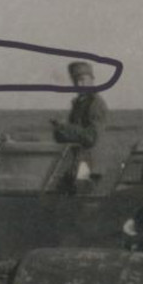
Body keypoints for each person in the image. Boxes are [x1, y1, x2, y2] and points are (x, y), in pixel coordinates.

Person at [51, 60, 109, 191]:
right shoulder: (80, 103)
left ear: (92, 80)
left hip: (90, 167)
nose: (79, 84)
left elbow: (91, 137)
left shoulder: (95, 104)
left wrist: (65, 128)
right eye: (75, 80)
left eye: (82, 79)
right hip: (78, 164)